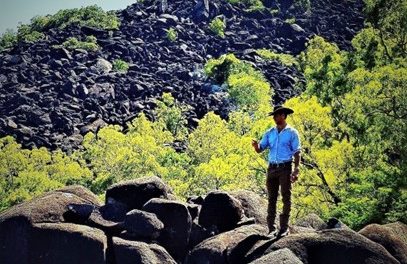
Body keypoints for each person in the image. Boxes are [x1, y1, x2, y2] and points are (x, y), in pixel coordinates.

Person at [251, 105, 301, 237]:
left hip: (285, 167)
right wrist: (256, 146)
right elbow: (260, 149)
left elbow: (297, 152)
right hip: (272, 168)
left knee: (286, 197)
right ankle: (271, 229)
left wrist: (296, 169)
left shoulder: (292, 133)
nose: (274, 117)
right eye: (274, 115)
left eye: (277, 115)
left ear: (283, 116)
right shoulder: (270, 133)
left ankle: (284, 228)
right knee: (271, 198)